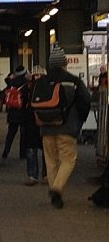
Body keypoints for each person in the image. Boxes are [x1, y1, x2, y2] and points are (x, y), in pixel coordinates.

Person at [39, 46, 91, 208]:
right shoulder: (74, 81)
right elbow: (85, 101)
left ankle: (55, 193)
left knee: (51, 161)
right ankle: (57, 188)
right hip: (67, 129)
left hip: (46, 128)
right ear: (65, 63)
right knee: (68, 160)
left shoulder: (42, 82)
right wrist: (79, 121)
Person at [20, 66, 45, 185]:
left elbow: (21, 103)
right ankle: (47, 175)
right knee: (47, 150)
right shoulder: (49, 87)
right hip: (45, 122)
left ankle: (32, 176)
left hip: (30, 122)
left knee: (31, 149)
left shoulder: (27, 87)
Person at [1, 65, 28, 159]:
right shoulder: (26, 83)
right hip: (23, 111)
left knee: (11, 133)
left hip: (12, 111)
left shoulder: (11, 82)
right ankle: (22, 154)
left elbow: (6, 84)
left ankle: (6, 151)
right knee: (23, 133)